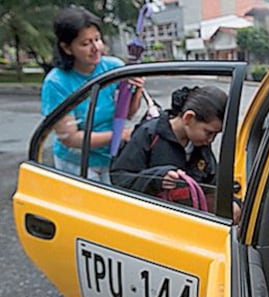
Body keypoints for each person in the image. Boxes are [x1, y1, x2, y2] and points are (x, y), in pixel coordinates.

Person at [41, 6, 144, 183]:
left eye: (97, 39)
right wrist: (119, 135)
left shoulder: (113, 67)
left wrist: (137, 89)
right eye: (85, 43)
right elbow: (71, 138)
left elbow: (127, 114)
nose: (95, 48)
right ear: (67, 48)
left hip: (113, 157)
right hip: (77, 163)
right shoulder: (56, 82)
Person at [110, 86, 241, 224]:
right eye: (209, 132)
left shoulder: (200, 145)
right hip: (149, 222)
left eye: (216, 134)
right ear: (188, 118)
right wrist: (157, 177)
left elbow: (213, 183)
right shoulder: (149, 134)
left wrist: (232, 202)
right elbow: (119, 178)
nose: (211, 140)